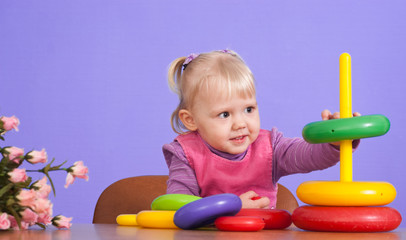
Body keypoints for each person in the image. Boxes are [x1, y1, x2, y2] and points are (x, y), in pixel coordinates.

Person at [163, 49, 360, 209]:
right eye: (224, 114)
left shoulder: (269, 147)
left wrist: (334, 141)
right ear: (190, 120)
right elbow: (178, 207)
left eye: (248, 109)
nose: (240, 124)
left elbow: (310, 155)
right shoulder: (185, 154)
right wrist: (231, 207)